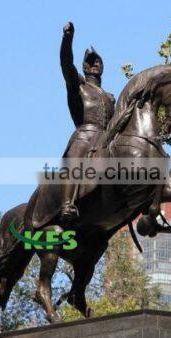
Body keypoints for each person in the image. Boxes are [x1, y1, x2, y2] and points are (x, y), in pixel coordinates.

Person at [59, 22, 115, 224]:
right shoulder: (78, 86)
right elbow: (66, 63)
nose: (95, 64)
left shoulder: (109, 97)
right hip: (84, 135)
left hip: (106, 138)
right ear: (83, 67)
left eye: (98, 61)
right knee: (76, 160)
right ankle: (67, 204)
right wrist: (67, 38)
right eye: (90, 62)